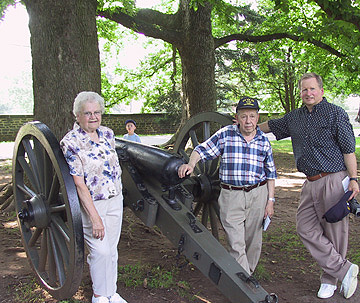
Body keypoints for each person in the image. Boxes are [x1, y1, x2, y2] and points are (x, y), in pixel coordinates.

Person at [259, 72, 359, 299]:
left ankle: (330, 280)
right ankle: (344, 269)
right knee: (304, 227)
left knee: (334, 231)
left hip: (333, 179)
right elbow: (272, 126)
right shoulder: (295, 118)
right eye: (304, 90)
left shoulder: (336, 114)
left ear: (321, 91)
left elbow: (348, 150)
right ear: (301, 92)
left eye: (312, 89)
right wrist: (251, 122)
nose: (308, 93)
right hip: (310, 182)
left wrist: (353, 180)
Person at [178, 96, 277, 275]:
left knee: (254, 243)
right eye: (244, 116)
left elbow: (271, 174)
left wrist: (270, 201)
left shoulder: (264, 141)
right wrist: (191, 165)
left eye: (252, 116)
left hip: (258, 194)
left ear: (258, 118)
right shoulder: (226, 134)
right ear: (237, 117)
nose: (248, 121)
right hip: (232, 195)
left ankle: (248, 277)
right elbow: (201, 149)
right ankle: (246, 286)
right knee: (236, 243)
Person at [60, 92, 127, 303]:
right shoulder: (70, 142)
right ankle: (99, 296)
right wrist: (95, 217)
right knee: (100, 251)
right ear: (77, 115)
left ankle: (111, 293)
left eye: (97, 112)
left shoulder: (107, 134)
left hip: (115, 199)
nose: (93, 117)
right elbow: (78, 183)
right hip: (92, 203)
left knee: (112, 250)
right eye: (87, 113)